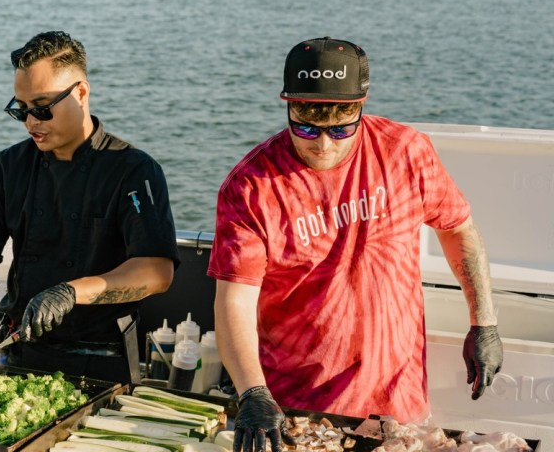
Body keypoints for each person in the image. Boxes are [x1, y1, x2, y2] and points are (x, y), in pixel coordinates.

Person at [207, 37, 503, 451]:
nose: (322, 144)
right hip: (295, 410)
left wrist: (484, 323)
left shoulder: (406, 153)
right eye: (306, 124)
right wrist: (253, 393)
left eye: (340, 127)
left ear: (362, 105)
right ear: (287, 106)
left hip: (398, 401)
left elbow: (458, 229)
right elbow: (234, 300)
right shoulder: (251, 187)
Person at [0, 31, 180, 384]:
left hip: (102, 357)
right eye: (21, 108)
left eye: (42, 107)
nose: (31, 121)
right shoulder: (7, 168)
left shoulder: (133, 170)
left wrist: (70, 292)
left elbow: (157, 271)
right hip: (19, 346)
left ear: (81, 92)